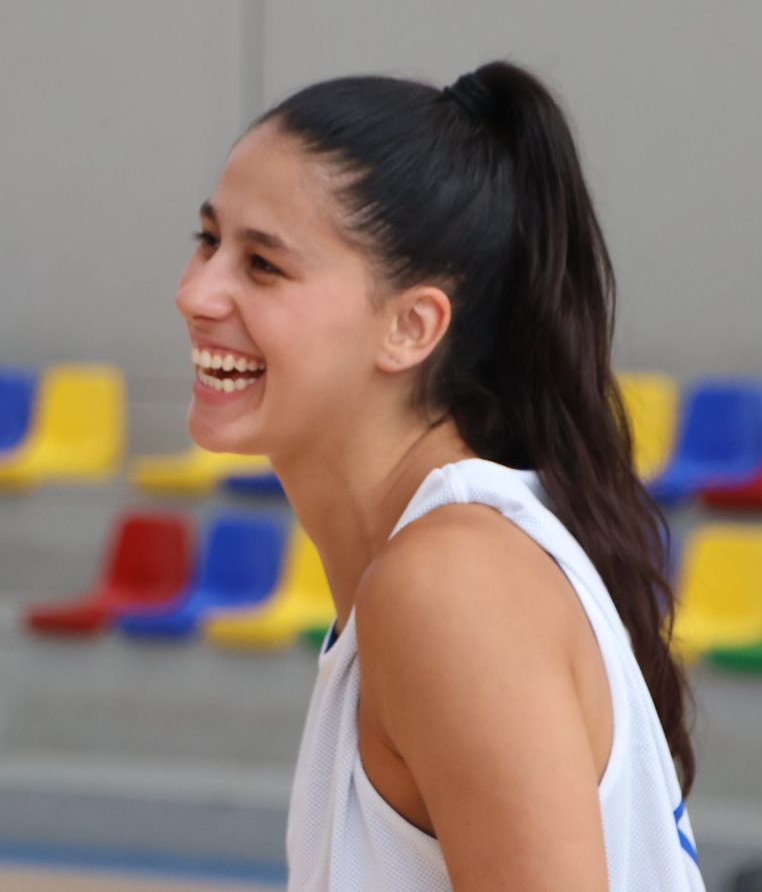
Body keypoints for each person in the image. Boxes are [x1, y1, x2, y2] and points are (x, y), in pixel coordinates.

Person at [175, 60, 703, 891]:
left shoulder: (451, 585)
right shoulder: (444, 566)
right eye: (208, 241)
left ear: (411, 326)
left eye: (263, 265)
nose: (197, 293)